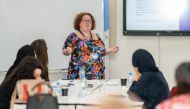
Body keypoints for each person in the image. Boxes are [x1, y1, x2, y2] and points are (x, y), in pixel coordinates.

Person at [63, 12, 119, 79]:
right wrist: (67, 51)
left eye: (89, 20)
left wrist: (110, 50)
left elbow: (101, 52)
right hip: (79, 75)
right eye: (84, 20)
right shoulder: (73, 36)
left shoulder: (97, 36)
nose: (87, 22)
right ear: (79, 23)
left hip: (98, 74)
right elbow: (65, 51)